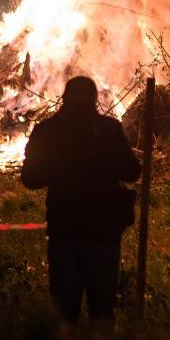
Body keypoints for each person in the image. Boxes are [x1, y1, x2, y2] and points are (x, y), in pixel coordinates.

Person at [20, 76, 140, 325]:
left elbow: (30, 178)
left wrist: (59, 169)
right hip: (103, 231)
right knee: (103, 311)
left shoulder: (47, 130)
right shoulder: (109, 129)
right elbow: (132, 172)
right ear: (95, 99)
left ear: (65, 98)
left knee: (65, 313)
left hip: (64, 229)